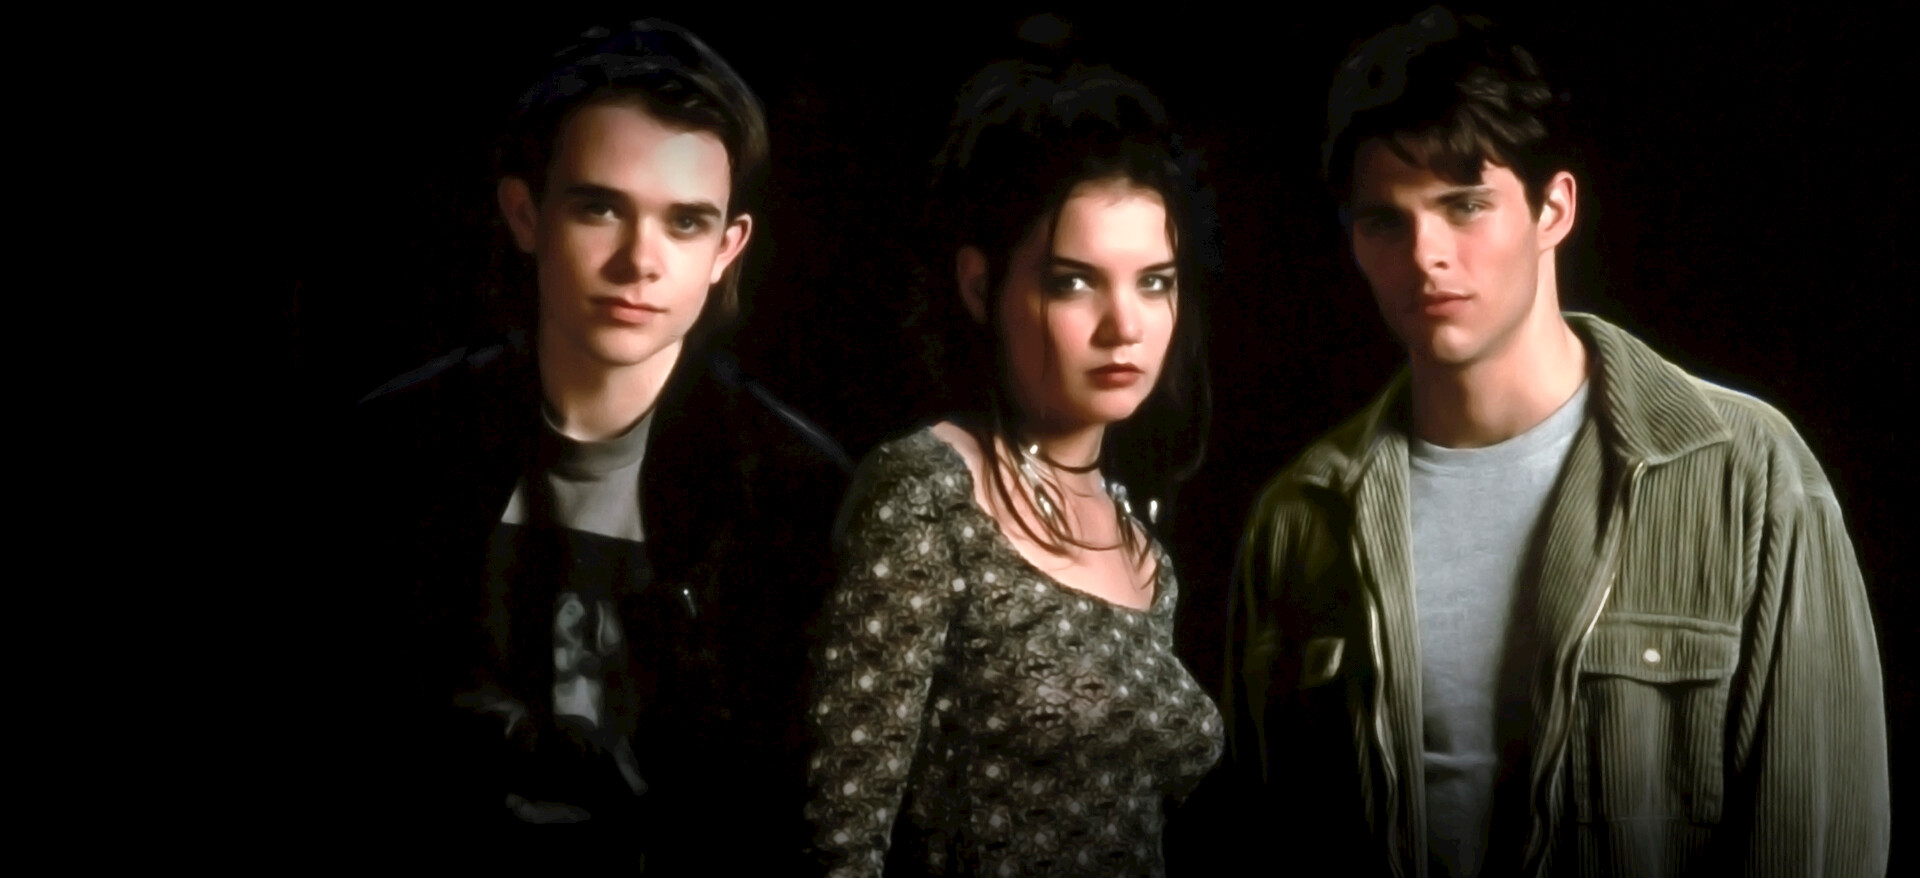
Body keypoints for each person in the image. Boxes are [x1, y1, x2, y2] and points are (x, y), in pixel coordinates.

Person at [1224, 7, 1889, 876]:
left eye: (1465, 206)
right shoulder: (1299, 521)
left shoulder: (1747, 473)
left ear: (1553, 209)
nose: (1426, 255)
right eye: (1386, 221)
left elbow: (1823, 840)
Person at [335, 19, 851, 869]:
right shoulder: (389, 451)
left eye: (685, 223)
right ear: (525, 213)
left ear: (727, 249)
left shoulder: (799, 495)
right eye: (602, 207)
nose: (640, 260)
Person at [802, 57, 1224, 877]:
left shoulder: (1145, 553)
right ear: (979, 284)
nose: (1125, 325)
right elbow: (839, 844)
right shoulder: (927, 494)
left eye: (1155, 283)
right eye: (1074, 283)